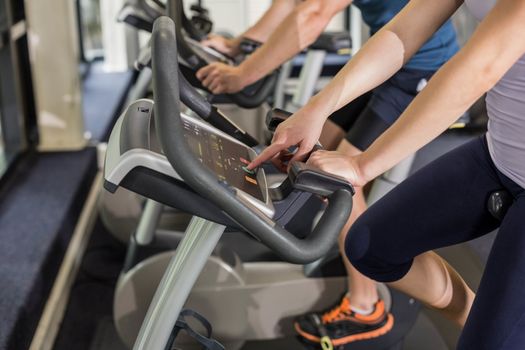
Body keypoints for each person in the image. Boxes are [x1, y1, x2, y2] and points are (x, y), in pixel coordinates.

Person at [249, 0, 525, 348]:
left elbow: (480, 67)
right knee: (371, 246)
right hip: (500, 154)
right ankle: (488, 325)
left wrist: (363, 165)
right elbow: (402, 31)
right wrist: (315, 110)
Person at [198, 0, 459, 346]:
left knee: (339, 177)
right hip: (388, 61)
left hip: (419, 68)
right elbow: (293, 4)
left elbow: (314, 13)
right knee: (318, 145)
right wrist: (240, 47)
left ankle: (366, 307)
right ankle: (318, 235)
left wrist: (243, 73)